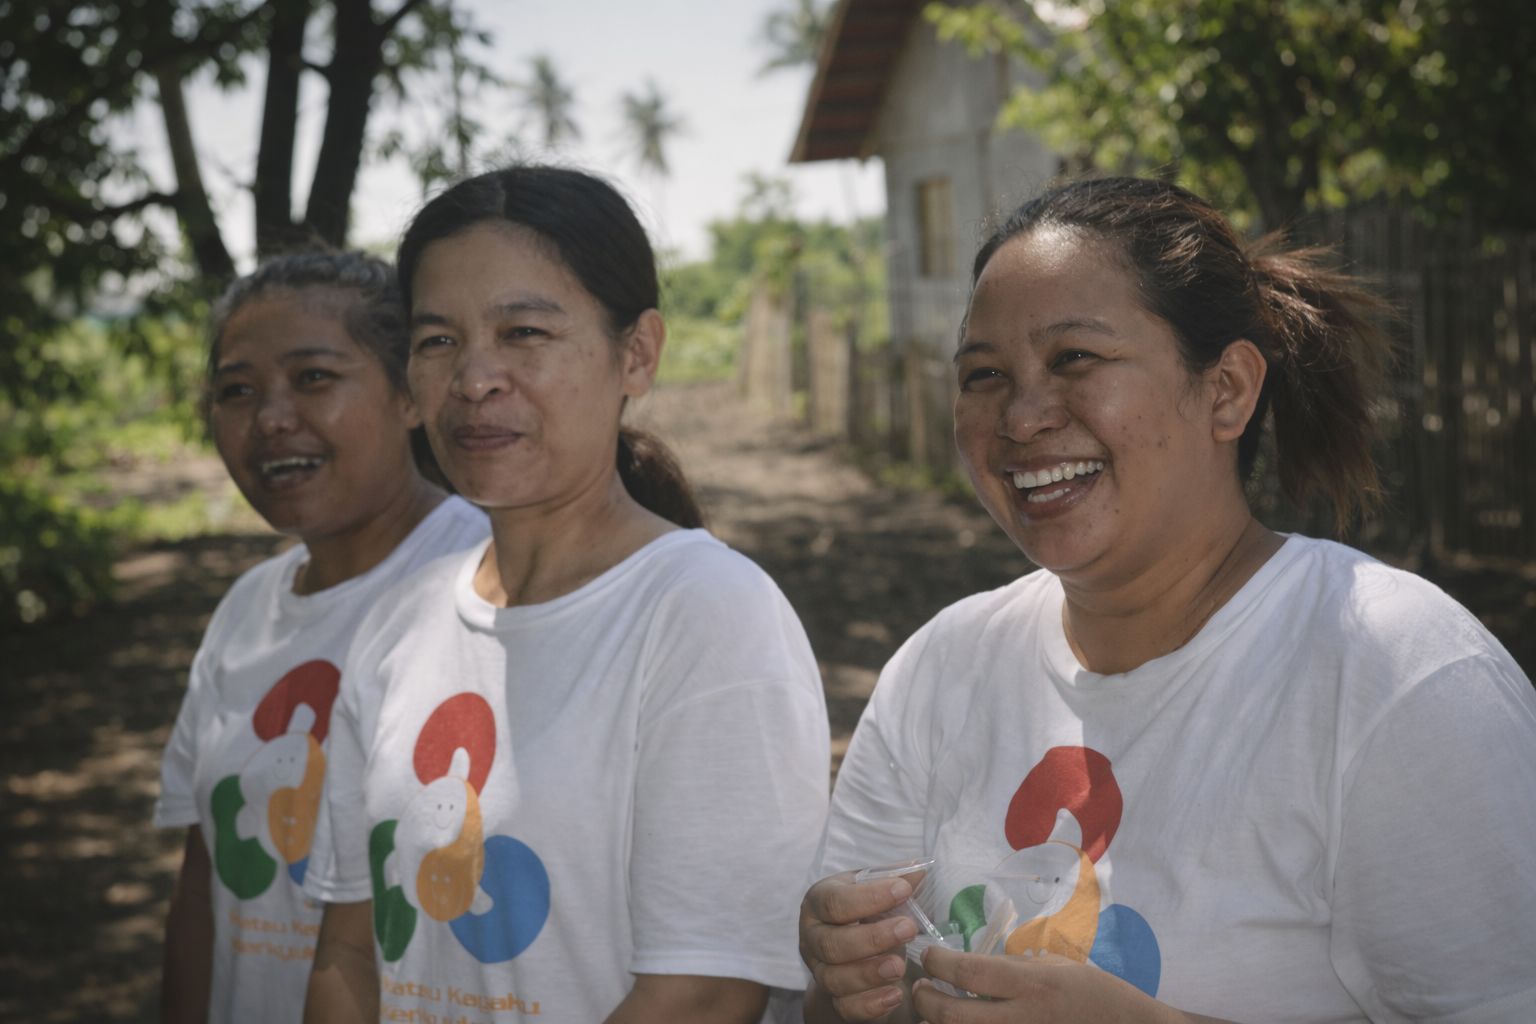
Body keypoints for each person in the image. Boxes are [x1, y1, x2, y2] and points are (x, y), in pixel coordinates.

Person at [799, 177, 1536, 1023]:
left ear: (1227, 391)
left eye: (1075, 358)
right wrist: (843, 985)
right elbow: (833, 1010)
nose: (1023, 417)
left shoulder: (1395, 671)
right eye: (985, 374)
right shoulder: (941, 668)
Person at [300, 165, 831, 1024]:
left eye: (524, 332)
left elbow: (701, 995)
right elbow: (348, 955)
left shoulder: (707, 615)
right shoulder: (399, 623)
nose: (476, 378)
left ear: (637, 354)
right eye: (438, 341)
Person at [155, 251, 490, 1023]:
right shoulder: (246, 610)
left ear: (410, 393)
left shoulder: (486, 588)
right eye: (237, 391)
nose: (271, 418)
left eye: (313, 378)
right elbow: (204, 886)